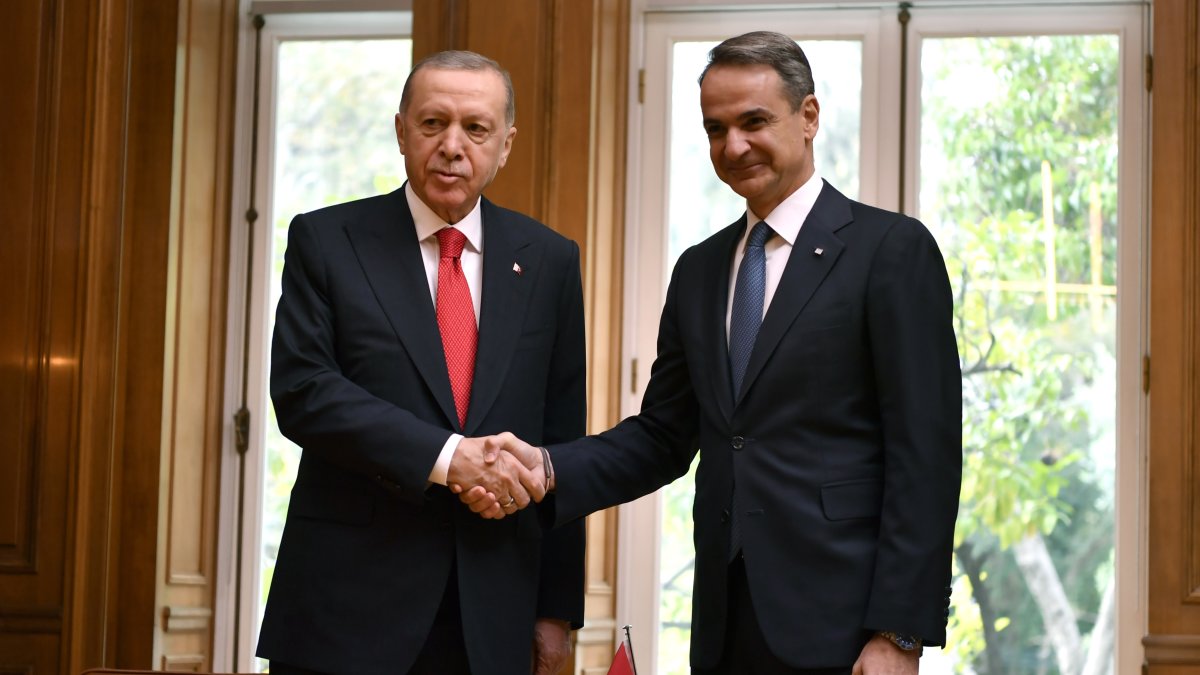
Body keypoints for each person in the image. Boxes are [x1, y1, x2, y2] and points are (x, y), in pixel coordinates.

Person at [460, 31, 962, 675]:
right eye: (715, 128)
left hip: (846, 624)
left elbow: (926, 454)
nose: (734, 146)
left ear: (808, 117)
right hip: (725, 622)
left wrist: (898, 632)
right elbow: (663, 437)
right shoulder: (699, 270)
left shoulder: (891, 250)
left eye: (755, 121)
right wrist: (548, 470)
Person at [257, 50, 587, 675]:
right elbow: (304, 391)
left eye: (476, 128)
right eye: (433, 124)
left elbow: (562, 438)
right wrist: (446, 458)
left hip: (494, 610)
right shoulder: (327, 241)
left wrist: (556, 612)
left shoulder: (550, 260)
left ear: (506, 144)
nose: (452, 147)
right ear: (401, 131)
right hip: (347, 609)